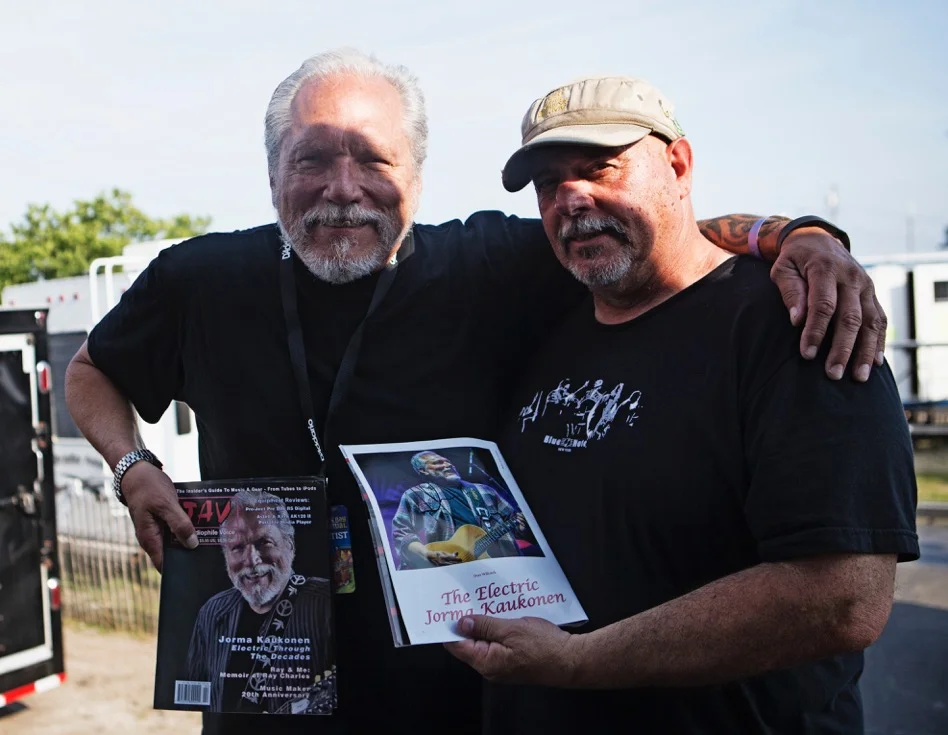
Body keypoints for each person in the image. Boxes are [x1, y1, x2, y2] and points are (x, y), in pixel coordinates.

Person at [63, 49, 888, 735]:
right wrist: (134, 464)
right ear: (274, 169)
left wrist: (800, 238)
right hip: (267, 695)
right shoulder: (201, 281)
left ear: (415, 176)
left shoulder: (493, 265)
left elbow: (655, 233)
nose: (342, 187)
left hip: (455, 693)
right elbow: (91, 372)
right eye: (312, 158)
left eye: (374, 159)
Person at [444, 75, 920, 734]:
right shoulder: (547, 318)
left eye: (599, 167)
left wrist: (578, 662)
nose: (572, 197)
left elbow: (841, 597)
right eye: (549, 183)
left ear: (678, 164)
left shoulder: (794, 317)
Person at [187, 490, 332, 714]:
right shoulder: (212, 612)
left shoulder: (326, 603)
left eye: (264, 542)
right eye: (237, 548)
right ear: (225, 556)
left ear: (290, 545)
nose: (252, 560)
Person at [392, 451, 527, 569]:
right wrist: (428, 554)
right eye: (438, 462)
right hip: (451, 570)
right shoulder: (416, 495)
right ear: (424, 471)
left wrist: (522, 527)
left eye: (448, 462)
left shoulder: (485, 491)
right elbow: (401, 534)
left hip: (503, 565)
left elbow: (515, 526)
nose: (448, 465)